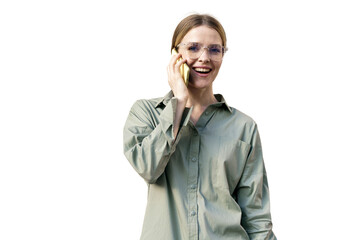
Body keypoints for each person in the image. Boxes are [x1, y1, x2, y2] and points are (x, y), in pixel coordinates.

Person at [123, 13, 277, 240]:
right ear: (175, 54)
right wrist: (179, 102)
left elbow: (256, 217)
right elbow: (148, 167)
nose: (204, 57)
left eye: (215, 49)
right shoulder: (146, 113)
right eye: (193, 48)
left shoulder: (244, 127)